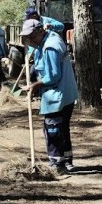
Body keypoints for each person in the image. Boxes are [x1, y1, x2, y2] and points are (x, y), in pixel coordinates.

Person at [21, 19, 78, 173]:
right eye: (28, 38)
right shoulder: (50, 38)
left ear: (40, 31)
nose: (30, 40)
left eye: (32, 36)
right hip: (67, 93)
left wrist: (34, 86)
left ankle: (57, 165)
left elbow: (53, 76)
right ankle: (67, 161)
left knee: (53, 129)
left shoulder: (50, 47)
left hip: (58, 95)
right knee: (62, 128)